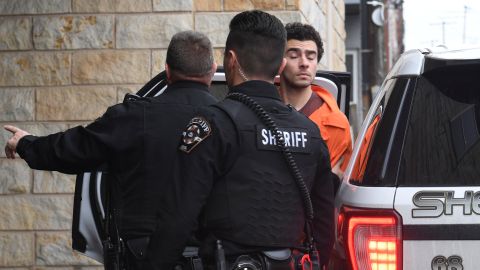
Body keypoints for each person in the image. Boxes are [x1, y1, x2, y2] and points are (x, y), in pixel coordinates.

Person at [3, 30, 218, 270]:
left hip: (140, 255)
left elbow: (72, 149)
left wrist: (25, 143)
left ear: (167, 70)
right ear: (212, 70)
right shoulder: (230, 121)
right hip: (211, 256)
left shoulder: (133, 117)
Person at [147, 10, 335, 270]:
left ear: (231, 60)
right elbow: (325, 223)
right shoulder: (311, 133)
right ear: (280, 66)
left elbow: (178, 216)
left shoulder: (212, 124)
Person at [279, 22, 352, 179]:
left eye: (311, 57)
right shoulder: (259, 109)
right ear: (280, 61)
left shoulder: (337, 124)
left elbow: (331, 186)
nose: (304, 63)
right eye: (294, 56)